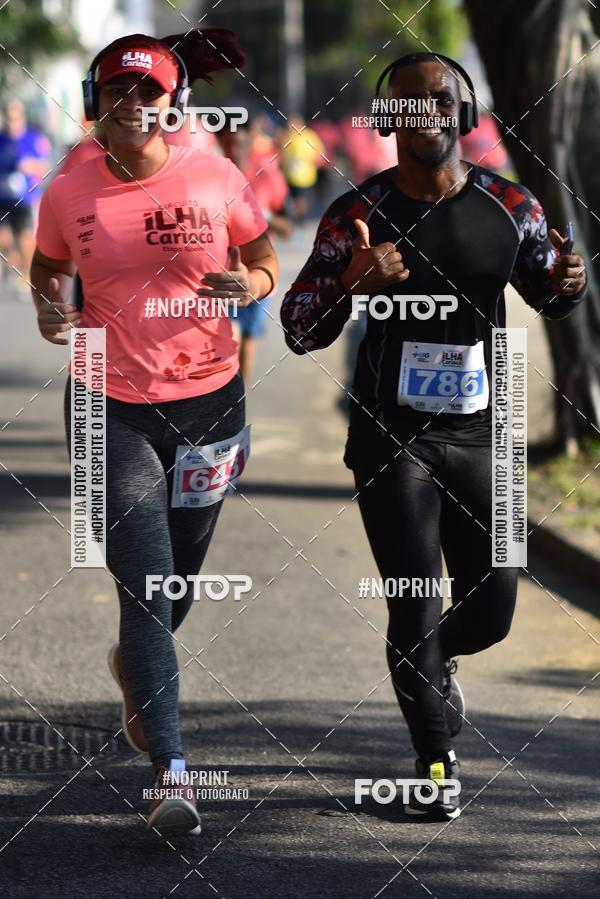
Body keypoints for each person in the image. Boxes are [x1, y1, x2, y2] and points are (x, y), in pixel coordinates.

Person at [281, 52, 586, 821]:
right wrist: (350, 282)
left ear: (466, 111)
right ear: (389, 121)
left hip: (487, 434)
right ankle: (435, 762)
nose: (425, 112)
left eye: (439, 99)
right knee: (413, 601)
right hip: (393, 440)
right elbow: (296, 329)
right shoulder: (357, 215)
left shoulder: (510, 206)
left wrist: (568, 283)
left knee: (494, 609)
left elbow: (551, 293)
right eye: (408, 103)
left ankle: (434, 661)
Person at [30, 30, 278, 837]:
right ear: (96, 104)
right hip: (110, 405)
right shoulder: (70, 188)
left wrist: (253, 281)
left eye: (147, 92)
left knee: (173, 589)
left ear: (172, 104)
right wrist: (45, 303)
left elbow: (263, 251)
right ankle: (172, 776)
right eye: (116, 92)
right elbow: (45, 263)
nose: (131, 104)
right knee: (146, 587)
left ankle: (137, 664)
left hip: (212, 407)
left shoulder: (215, 173)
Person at [217, 117, 292, 380]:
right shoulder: (208, 175)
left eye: (240, 143)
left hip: (256, 273)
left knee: (246, 340)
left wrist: (262, 216)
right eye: (228, 144)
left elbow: (288, 227)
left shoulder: (268, 175)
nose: (234, 151)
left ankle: (238, 403)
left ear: (251, 141)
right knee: (229, 339)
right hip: (217, 277)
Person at [0, 99, 51, 293]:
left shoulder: (33, 139)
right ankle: (12, 259)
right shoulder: (1, 140)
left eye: (15, 117)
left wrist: (30, 166)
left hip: (26, 198)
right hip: (2, 197)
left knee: (25, 237)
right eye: (9, 117)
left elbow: (45, 166)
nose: (12, 121)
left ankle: (26, 272)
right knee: (3, 238)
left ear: (21, 117)